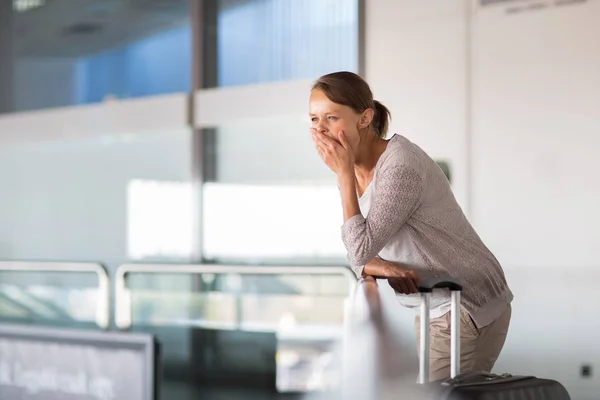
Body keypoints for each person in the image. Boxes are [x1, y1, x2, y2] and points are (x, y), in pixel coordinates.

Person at [308, 71, 513, 381]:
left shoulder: (400, 165)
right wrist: (381, 266)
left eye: (331, 117)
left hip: (463, 302)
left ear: (365, 118)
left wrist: (343, 176)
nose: (320, 129)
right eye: (313, 119)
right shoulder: (355, 166)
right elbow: (358, 250)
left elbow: (360, 248)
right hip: (434, 302)